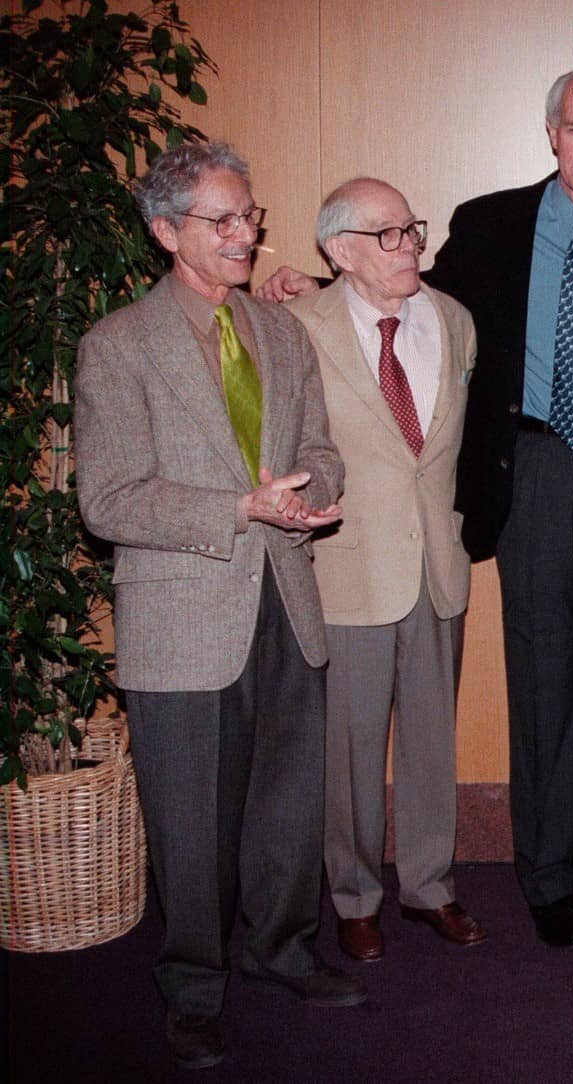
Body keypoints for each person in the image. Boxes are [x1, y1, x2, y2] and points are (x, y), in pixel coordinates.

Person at [262, 62, 573, 951]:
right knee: (543, 675)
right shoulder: (488, 225)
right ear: (551, 134)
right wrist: (308, 292)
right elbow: (400, 297)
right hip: (533, 468)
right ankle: (544, 873)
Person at [75, 141, 359, 1071]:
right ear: (166, 231)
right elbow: (107, 501)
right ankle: (192, 989)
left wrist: (315, 489)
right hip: (183, 618)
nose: (248, 235)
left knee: (287, 803)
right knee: (190, 820)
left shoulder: (281, 334)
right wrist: (237, 507)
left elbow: (321, 442)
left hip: (286, 595)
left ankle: (281, 951)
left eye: (251, 217)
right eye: (224, 221)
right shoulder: (117, 346)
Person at [286, 177, 486, 963]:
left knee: (434, 743)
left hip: (438, 566)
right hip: (349, 571)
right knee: (352, 748)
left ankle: (431, 886)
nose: (412, 246)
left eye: (413, 229)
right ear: (339, 251)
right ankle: (355, 895)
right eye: (390, 234)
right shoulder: (297, 327)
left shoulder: (456, 321)